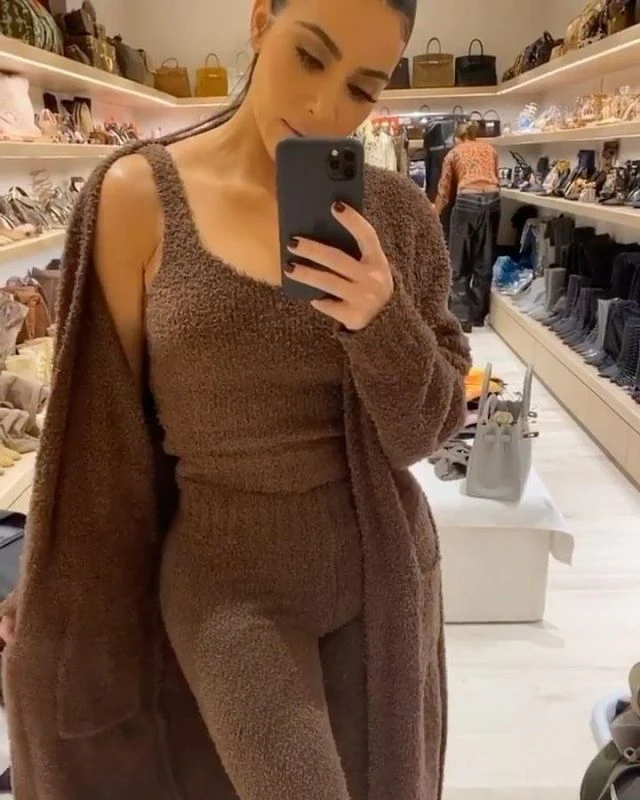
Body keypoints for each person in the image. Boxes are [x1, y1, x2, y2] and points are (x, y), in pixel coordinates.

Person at [0, 0, 471, 798]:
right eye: (309, 57)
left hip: (384, 571)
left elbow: (422, 432)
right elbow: (103, 436)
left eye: (362, 87)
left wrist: (381, 318)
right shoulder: (139, 196)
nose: (324, 105)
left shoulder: (396, 215)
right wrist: (58, 592)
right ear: (260, 21)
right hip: (230, 584)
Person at [435, 120, 501, 332]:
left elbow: (444, 190)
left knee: (458, 259)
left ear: (457, 138)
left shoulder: (453, 153)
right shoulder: (490, 149)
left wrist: (434, 213)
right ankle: (479, 315)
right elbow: (497, 178)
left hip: (467, 201)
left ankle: (463, 318)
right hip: (493, 200)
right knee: (484, 258)